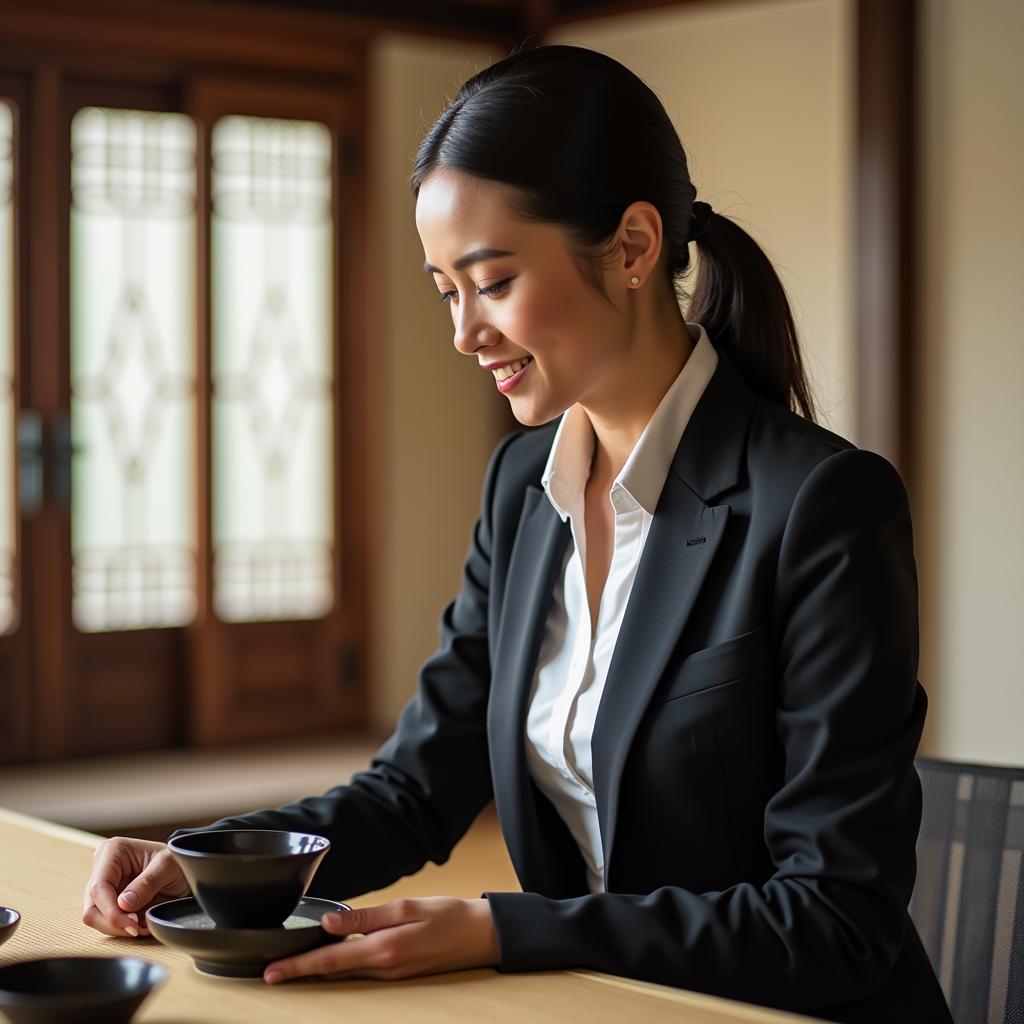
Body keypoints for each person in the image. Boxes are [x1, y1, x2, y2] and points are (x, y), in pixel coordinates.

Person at [82, 45, 952, 1023]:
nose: (463, 332)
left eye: (490, 281)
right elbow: (412, 788)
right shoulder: (520, 490)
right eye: (446, 290)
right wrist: (202, 858)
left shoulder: (824, 506)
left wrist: (505, 929)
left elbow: (834, 919)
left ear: (631, 247)